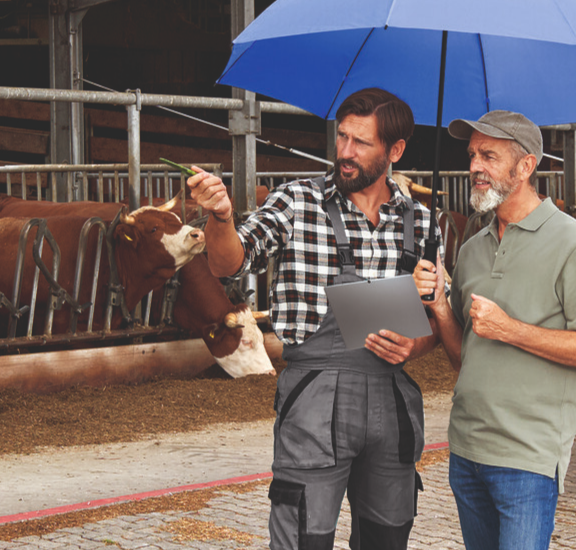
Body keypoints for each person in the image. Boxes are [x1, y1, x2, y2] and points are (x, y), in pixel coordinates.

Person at [187, 87, 441, 550]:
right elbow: (230, 262)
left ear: (395, 150)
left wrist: (416, 344)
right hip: (315, 400)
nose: (345, 153)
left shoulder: (421, 221)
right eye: (342, 137)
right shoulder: (297, 203)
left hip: (393, 400)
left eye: (361, 143)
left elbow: (432, 322)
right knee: (304, 536)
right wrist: (221, 217)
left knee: (389, 537)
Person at [412, 110, 576, 550]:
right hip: (467, 450)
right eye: (472, 155)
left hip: (527, 458)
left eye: (489, 155)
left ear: (526, 167)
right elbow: (464, 359)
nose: (474, 167)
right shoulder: (471, 249)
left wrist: (510, 329)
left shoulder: (573, 243)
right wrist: (441, 307)